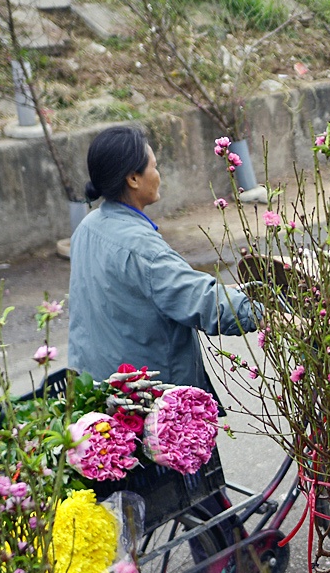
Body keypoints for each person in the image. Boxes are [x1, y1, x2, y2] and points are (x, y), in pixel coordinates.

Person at [68, 126, 262, 400]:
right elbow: (204, 303)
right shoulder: (141, 247)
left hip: (99, 395)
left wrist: (237, 289)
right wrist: (267, 314)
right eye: (154, 167)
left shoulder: (88, 227)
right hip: (152, 406)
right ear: (133, 178)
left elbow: (144, 292)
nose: (158, 176)